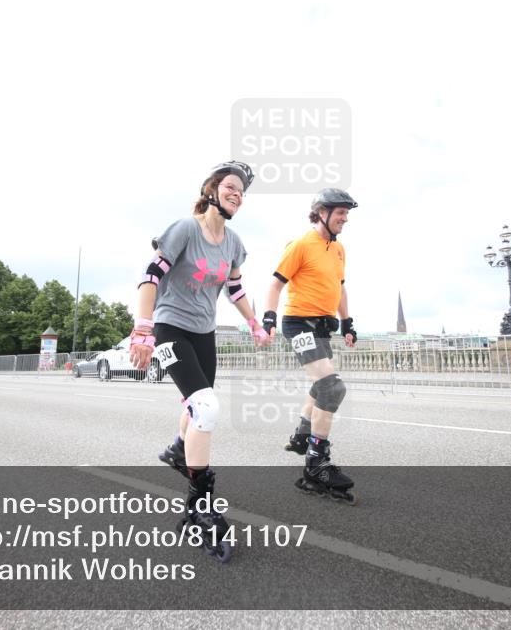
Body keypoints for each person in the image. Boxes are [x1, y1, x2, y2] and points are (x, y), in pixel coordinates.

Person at [130, 161, 270, 559]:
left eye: (242, 191)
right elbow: (151, 276)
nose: (237, 194)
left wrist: (254, 324)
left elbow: (236, 289)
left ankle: (179, 449)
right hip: (171, 327)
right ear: (211, 190)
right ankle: (198, 503)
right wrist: (144, 328)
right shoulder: (185, 229)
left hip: (204, 332)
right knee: (207, 407)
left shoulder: (234, 243)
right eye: (230, 186)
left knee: (195, 409)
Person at [262, 188, 359, 503]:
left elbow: (340, 289)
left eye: (347, 213)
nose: (345, 218)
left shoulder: (339, 249)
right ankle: (316, 465)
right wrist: (268, 320)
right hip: (298, 323)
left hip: (322, 325)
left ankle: (303, 437)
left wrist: (347, 323)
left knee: (320, 386)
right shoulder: (301, 245)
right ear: (321, 212)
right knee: (332, 389)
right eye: (340, 212)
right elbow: (276, 283)